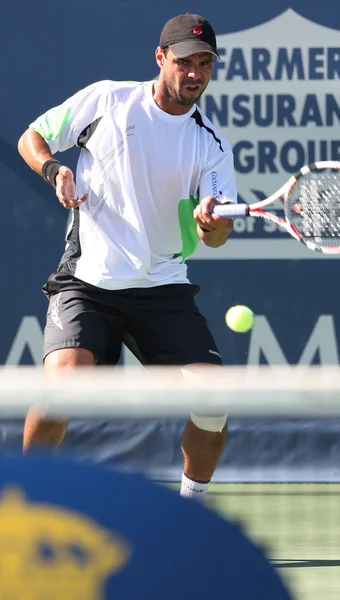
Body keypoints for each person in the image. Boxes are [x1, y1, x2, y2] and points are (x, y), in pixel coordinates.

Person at [17, 13, 237, 501]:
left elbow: (217, 235)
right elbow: (30, 138)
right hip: (89, 282)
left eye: (205, 64)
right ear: (161, 58)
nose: (195, 73)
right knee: (60, 388)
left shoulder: (212, 146)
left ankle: (190, 511)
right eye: (184, 62)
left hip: (162, 286)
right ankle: (20, 505)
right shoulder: (108, 100)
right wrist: (54, 170)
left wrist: (212, 224)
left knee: (214, 402)